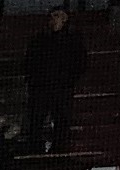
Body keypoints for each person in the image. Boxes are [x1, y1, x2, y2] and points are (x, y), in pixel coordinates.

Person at [26, 7, 86, 154]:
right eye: (52, 16)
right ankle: (35, 148)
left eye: (57, 16)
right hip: (41, 87)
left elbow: (80, 62)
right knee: (36, 119)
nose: (54, 19)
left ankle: (59, 148)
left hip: (61, 87)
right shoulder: (40, 38)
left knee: (61, 119)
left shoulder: (73, 39)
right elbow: (30, 60)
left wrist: (69, 79)